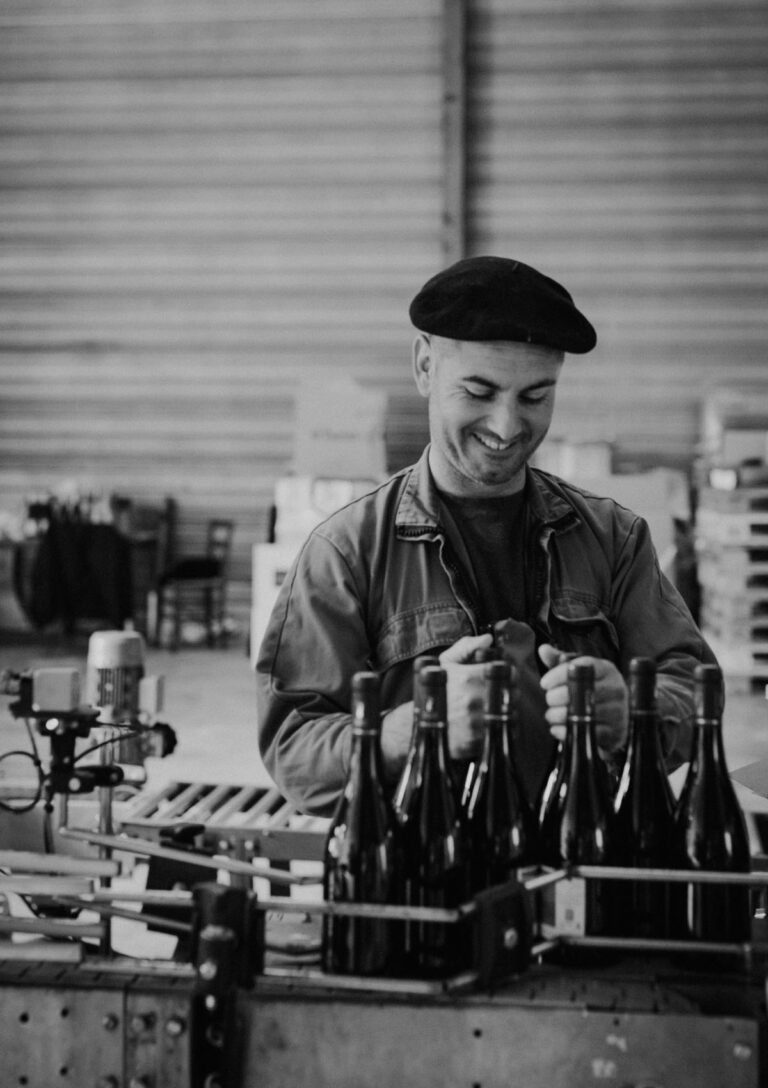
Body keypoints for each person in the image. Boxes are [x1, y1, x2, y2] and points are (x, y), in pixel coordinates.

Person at [256, 255, 715, 816]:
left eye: (534, 397)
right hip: (421, 882)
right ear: (425, 366)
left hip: (587, 867)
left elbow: (693, 687)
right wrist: (414, 730)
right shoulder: (345, 554)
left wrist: (636, 713)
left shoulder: (614, 540)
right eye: (478, 392)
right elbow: (294, 747)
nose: (506, 426)